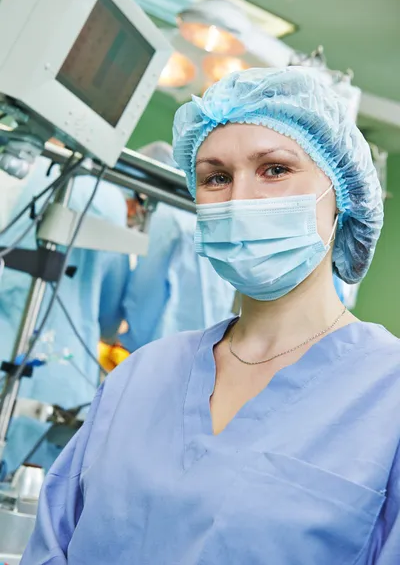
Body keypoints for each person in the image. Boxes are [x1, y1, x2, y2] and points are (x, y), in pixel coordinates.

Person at [22, 68, 400, 565]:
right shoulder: (141, 376)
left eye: (275, 169)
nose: (240, 198)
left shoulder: (386, 396)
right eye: (216, 177)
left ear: (344, 198)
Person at [0, 157, 129, 474]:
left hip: (9, 359)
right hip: (68, 380)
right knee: (37, 501)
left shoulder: (13, 169)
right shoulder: (110, 196)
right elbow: (110, 311)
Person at [119, 141, 235, 352]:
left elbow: (143, 293)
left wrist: (128, 339)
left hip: (160, 350)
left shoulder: (166, 220)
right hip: (208, 351)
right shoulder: (215, 225)